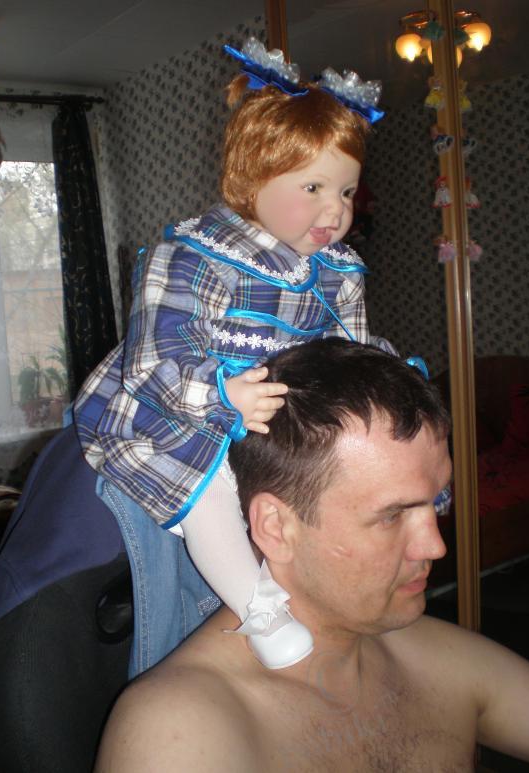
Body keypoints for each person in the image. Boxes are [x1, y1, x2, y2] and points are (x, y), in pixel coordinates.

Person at [73, 37, 387, 675]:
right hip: (168, 407)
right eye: (314, 186)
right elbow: (153, 360)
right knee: (210, 482)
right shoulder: (195, 255)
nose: (335, 210)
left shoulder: (338, 271)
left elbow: (346, 353)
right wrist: (221, 395)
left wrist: (378, 382)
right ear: (255, 177)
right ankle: (258, 607)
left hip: (267, 413)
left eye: (347, 191)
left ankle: (322, 585)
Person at [94, 339, 529, 773]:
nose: (435, 546)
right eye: (392, 515)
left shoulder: (443, 662)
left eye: (435, 501)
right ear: (276, 527)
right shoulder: (178, 732)